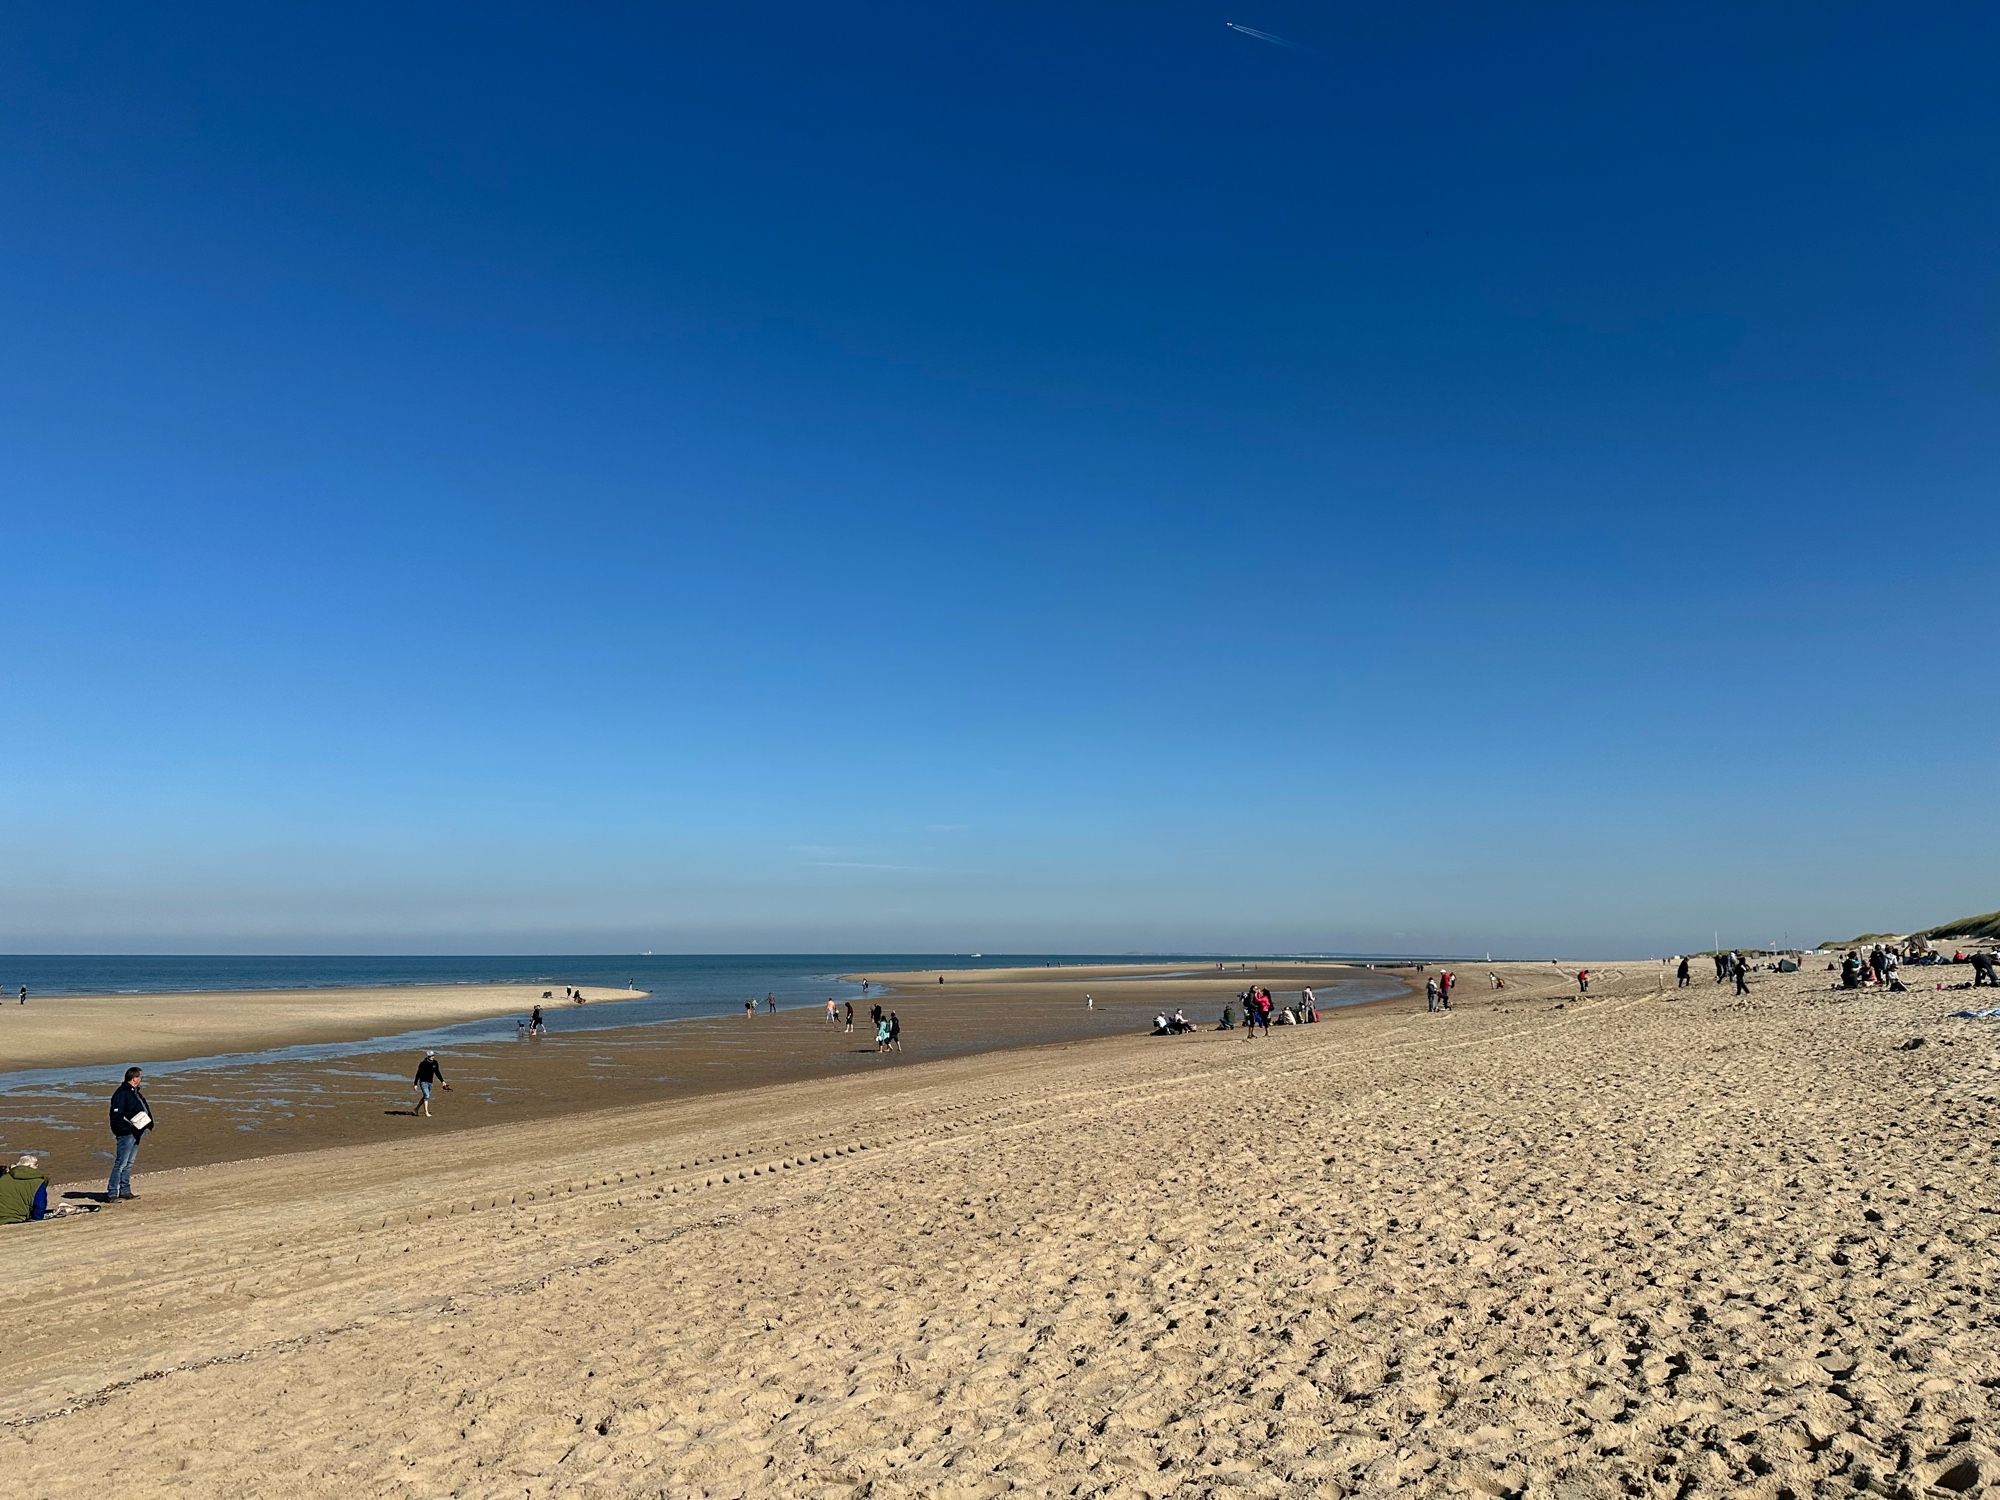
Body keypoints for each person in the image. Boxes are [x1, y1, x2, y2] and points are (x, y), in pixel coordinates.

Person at [108, 1066, 152, 1200]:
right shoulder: (122, 1093)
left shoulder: (135, 1092)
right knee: (121, 1163)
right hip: (127, 1133)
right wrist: (127, 1128)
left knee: (129, 1163)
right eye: (140, 1077)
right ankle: (112, 1192)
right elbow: (116, 1115)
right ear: (134, 1078)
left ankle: (125, 1190)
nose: (141, 1079)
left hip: (136, 1132)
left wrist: (147, 1124)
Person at [0, 1154, 50, 1225]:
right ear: (30, 1166)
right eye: (36, 1164)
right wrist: (36, 1219)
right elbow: (40, 1205)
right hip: (17, 1218)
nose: (37, 1166)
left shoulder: (3, 1178)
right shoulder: (37, 1182)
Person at [411, 1051, 449, 1118]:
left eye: (433, 1055)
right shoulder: (423, 1064)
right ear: (428, 1057)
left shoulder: (435, 1063)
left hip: (430, 1082)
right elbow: (418, 1074)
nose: (432, 1057)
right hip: (423, 1082)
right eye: (431, 1056)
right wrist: (415, 1084)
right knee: (427, 1095)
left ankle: (416, 1109)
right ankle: (426, 1112)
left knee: (425, 1096)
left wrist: (443, 1081)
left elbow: (437, 1072)